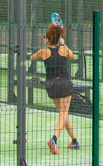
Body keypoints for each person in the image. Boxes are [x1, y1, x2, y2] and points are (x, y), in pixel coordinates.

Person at [31, 23, 80, 155]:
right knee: (63, 114)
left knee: (62, 114)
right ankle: (54, 139)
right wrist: (63, 44)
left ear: (48, 39)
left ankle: (74, 141)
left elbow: (31, 57)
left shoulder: (43, 52)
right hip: (65, 84)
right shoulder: (63, 49)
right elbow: (72, 56)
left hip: (51, 86)